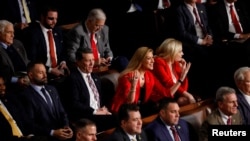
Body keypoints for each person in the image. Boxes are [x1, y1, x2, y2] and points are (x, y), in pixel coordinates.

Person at [110, 47, 173, 117]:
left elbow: (165, 92)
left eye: (152, 58)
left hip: (138, 109)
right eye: (149, 58)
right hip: (123, 111)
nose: (153, 61)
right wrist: (133, 85)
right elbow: (129, 102)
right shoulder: (128, 76)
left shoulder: (149, 75)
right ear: (140, 60)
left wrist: (181, 79)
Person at [65, 48, 115, 132]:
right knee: (115, 120)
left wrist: (103, 108)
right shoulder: (72, 79)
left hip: (99, 113)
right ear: (78, 62)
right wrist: (95, 111)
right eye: (88, 61)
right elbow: (75, 104)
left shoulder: (95, 77)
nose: (92, 63)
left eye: (93, 60)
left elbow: (100, 97)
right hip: (85, 116)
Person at [20, 61, 73, 141]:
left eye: (45, 72)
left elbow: (62, 112)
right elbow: (30, 124)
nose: (45, 75)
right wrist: (52, 132)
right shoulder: (25, 95)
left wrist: (66, 126)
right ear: (31, 75)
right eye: (41, 73)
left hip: (62, 134)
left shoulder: (52, 89)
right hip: (44, 137)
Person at [207, 0, 250, 88]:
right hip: (230, 40)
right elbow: (219, 31)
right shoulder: (216, 8)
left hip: (246, 37)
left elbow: (247, 22)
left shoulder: (241, 5)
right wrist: (239, 36)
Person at [22, 5, 69, 82]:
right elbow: (33, 59)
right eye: (51, 19)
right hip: (44, 74)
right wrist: (50, 70)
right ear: (42, 17)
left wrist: (63, 62)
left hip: (59, 72)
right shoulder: (33, 34)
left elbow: (63, 50)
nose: (54, 22)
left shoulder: (58, 31)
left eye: (56, 19)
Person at [152, 38, 196, 106]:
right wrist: (188, 95)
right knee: (187, 99)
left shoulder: (176, 63)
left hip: (174, 96)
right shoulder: (158, 62)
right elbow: (167, 83)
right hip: (162, 97)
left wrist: (183, 73)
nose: (182, 54)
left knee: (186, 100)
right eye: (180, 51)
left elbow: (184, 89)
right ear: (172, 52)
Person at [0, 20, 30, 92]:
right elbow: (2, 74)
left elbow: (27, 61)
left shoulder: (17, 43)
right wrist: (17, 80)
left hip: (27, 79)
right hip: (11, 86)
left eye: (13, 32)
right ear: (0, 33)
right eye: (9, 32)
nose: (12, 35)